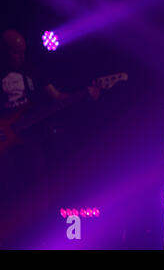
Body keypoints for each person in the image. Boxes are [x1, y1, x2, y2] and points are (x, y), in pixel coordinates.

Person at [0, 29, 100, 248]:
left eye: (22, 51)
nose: (20, 57)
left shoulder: (32, 72)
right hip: (5, 143)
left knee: (39, 183)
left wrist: (85, 93)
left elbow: (57, 98)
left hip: (26, 140)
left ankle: (39, 234)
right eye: (15, 52)